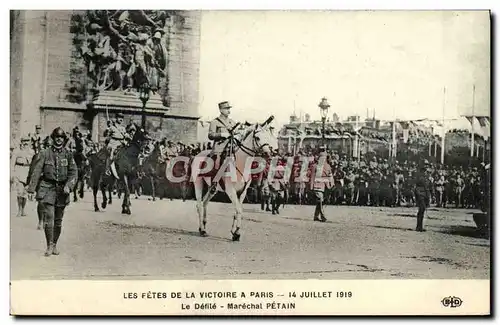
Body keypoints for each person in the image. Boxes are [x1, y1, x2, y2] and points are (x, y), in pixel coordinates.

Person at [26, 127, 78, 256]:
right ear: (53, 138)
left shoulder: (68, 154)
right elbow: (37, 171)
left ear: (64, 139)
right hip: (47, 187)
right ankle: (49, 245)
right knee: (49, 217)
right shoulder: (45, 153)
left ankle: (54, 243)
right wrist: (31, 189)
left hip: (62, 191)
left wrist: (69, 186)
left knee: (58, 221)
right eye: (57, 137)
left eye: (61, 137)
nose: (59, 139)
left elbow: (73, 173)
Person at [208, 101, 238, 170]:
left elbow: (238, 133)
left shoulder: (232, 122)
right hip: (219, 150)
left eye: (229, 109)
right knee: (216, 169)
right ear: (221, 110)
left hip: (231, 149)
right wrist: (221, 134)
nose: (229, 111)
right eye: (226, 109)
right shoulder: (214, 122)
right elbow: (210, 135)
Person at [11, 137, 34, 217]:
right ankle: (19, 210)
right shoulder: (16, 151)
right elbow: (12, 163)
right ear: (21, 142)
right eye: (24, 141)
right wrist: (12, 174)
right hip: (19, 171)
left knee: (25, 193)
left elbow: (34, 163)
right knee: (20, 192)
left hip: (28, 172)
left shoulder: (32, 151)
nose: (25, 143)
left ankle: (23, 210)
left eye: (27, 141)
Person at [310, 150, 333, 222]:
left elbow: (330, 176)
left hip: (325, 186)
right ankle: (323, 217)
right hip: (317, 184)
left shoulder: (328, 166)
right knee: (320, 200)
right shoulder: (315, 166)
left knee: (320, 202)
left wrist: (331, 184)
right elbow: (312, 176)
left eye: (324, 157)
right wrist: (311, 186)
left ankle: (316, 216)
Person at [414, 163, 430, 232]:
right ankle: (419, 227)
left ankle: (419, 226)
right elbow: (417, 188)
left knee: (422, 210)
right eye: (425, 171)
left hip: (423, 195)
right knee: (421, 210)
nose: (426, 172)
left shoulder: (425, 178)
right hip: (421, 195)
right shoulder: (421, 178)